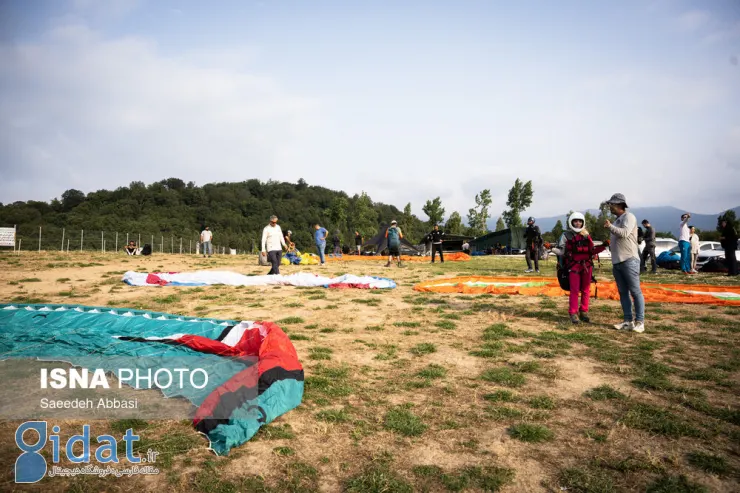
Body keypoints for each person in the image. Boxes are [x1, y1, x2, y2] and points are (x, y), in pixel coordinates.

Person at [553, 212, 608, 324]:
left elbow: (592, 251)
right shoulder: (565, 236)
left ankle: (584, 311)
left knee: (586, 290)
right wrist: (551, 249)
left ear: (582, 223)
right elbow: (562, 252)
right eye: (575, 221)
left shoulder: (586, 235)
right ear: (571, 222)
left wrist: (603, 246)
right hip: (573, 267)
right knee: (574, 290)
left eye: (579, 221)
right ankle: (573, 313)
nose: (577, 223)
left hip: (587, 267)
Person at [603, 193, 645, 333]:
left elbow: (625, 233)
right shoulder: (616, 221)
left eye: (612, 205)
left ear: (619, 205)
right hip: (617, 262)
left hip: (629, 260)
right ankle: (628, 321)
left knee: (635, 291)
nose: (610, 207)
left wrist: (610, 227)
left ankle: (640, 322)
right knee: (623, 292)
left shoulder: (629, 217)